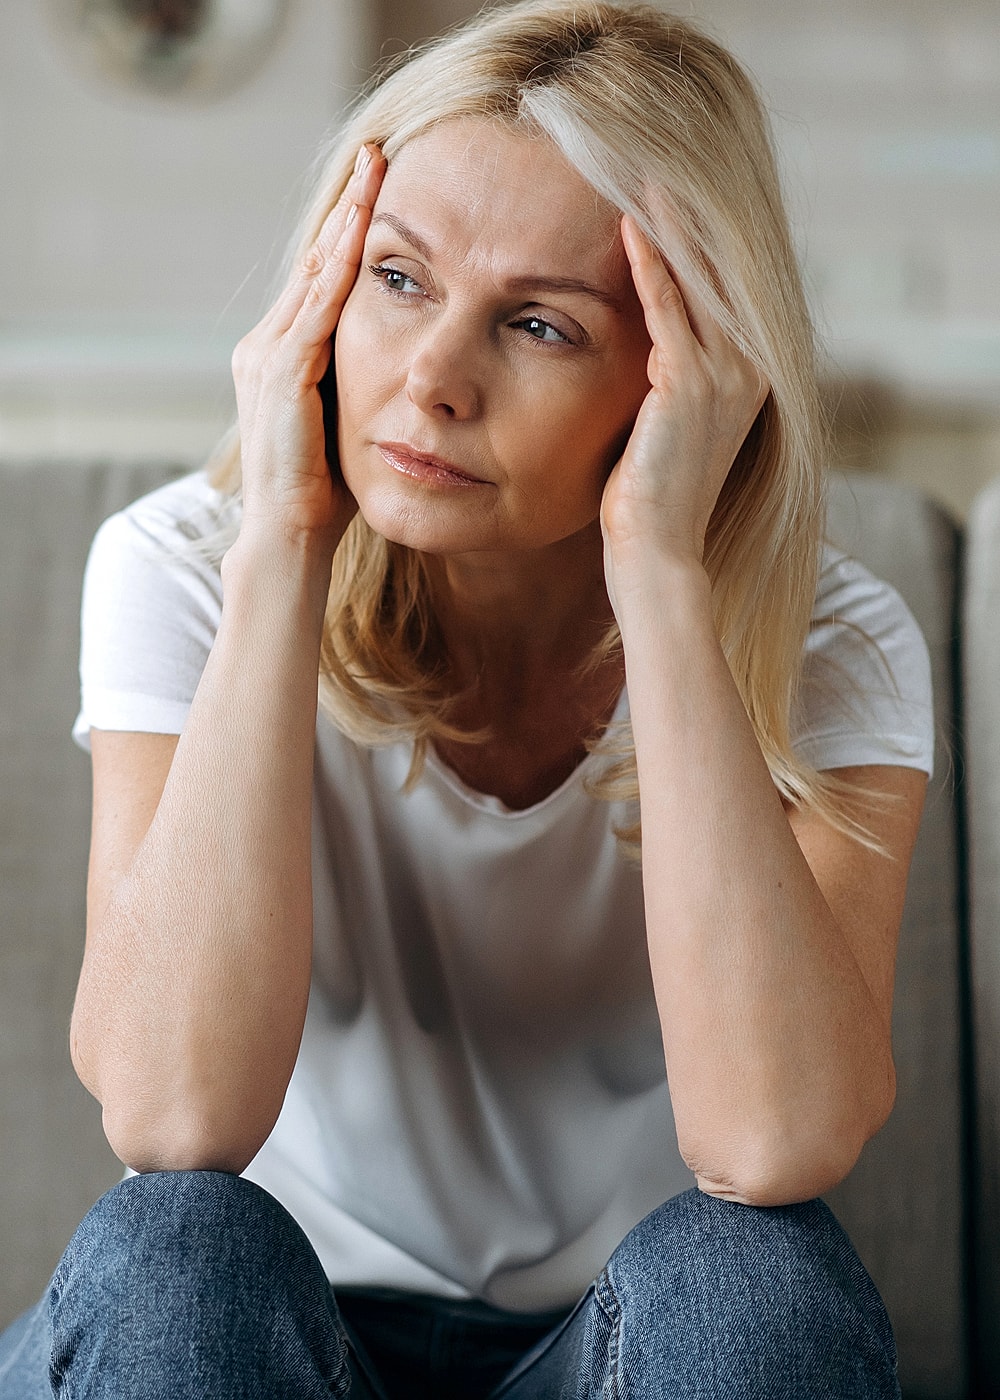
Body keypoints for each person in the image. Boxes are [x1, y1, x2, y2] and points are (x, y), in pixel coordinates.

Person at [0, 0, 934, 1395]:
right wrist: (285, 546)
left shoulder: (832, 643)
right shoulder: (186, 570)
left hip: (621, 1353)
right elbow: (171, 1116)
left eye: (543, 325)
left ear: (687, 376)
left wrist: (660, 573)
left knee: (754, 1283)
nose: (432, 381)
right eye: (397, 279)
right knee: (174, 1248)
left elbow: (773, 1146)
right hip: (269, 1342)